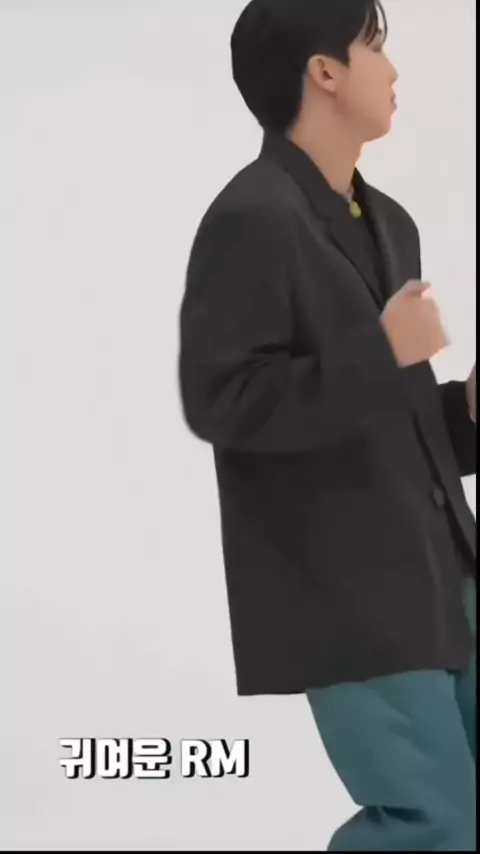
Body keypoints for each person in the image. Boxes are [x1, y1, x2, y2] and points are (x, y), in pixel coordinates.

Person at [178, 0, 477, 849]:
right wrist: (384, 350)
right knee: (437, 827)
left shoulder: (390, 222)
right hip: (354, 595)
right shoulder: (251, 219)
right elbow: (225, 402)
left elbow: (386, 424)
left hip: (447, 575)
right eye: (374, 46)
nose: (393, 69)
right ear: (324, 72)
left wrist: (465, 411)